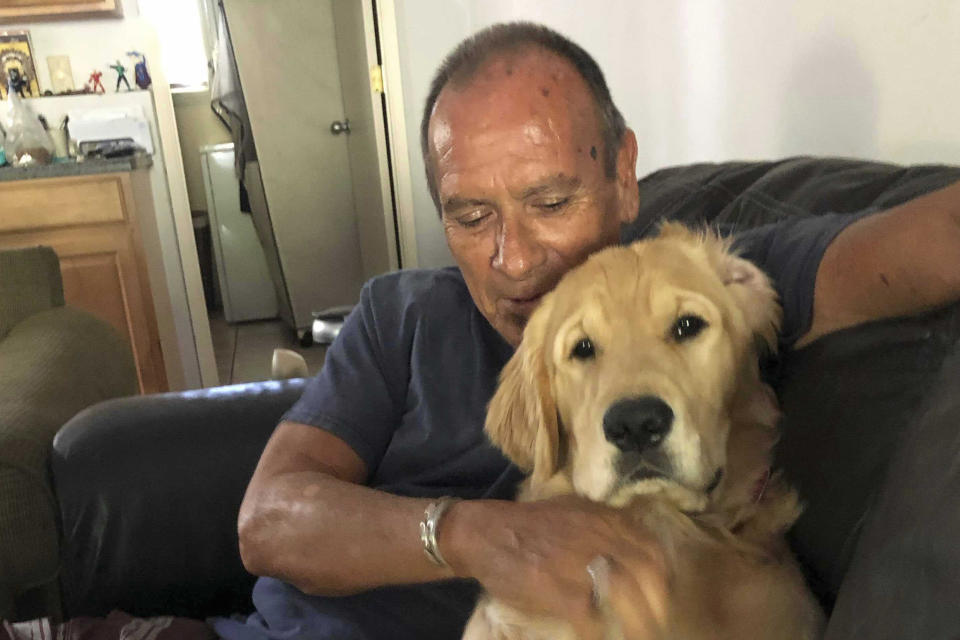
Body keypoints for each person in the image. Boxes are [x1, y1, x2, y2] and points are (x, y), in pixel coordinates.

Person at [211, 22, 960, 640]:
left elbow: (934, 238)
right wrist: (483, 538)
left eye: (550, 200)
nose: (514, 259)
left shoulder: (709, 280)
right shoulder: (397, 316)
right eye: (470, 218)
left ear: (624, 173)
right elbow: (268, 522)